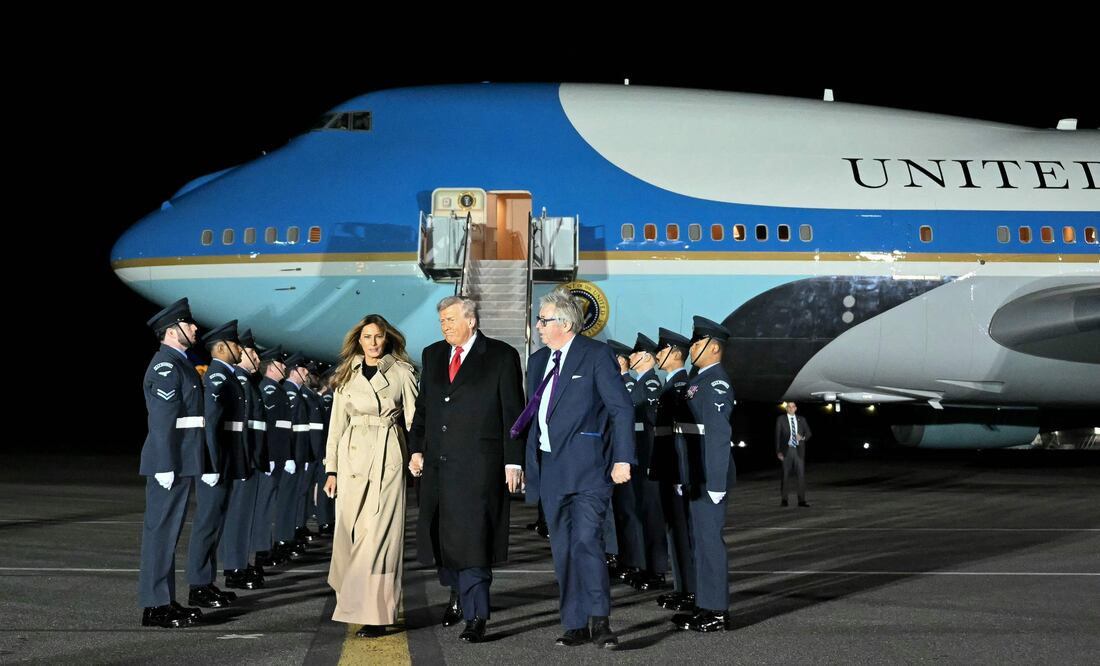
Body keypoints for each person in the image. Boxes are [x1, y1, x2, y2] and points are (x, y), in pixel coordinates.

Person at [513, 288, 635, 649]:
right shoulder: (538, 362)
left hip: (589, 470)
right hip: (550, 470)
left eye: (543, 320)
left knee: (586, 542)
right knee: (563, 548)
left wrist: (623, 458)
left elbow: (621, 409)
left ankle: (601, 621)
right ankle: (575, 622)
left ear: (564, 323)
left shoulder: (595, 355)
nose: (537, 326)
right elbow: (534, 416)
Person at [408, 296, 525, 643]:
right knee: (444, 540)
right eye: (441, 321)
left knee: (473, 542)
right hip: (438, 469)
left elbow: (513, 414)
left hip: (478, 469)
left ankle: (477, 615)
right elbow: (424, 409)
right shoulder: (432, 355)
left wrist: (513, 460)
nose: (444, 326)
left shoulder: (501, 356)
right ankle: (457, 596)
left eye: (450, 320)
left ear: (471, 320)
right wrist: (416, 449)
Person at [322, 314, 418, 637]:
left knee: (380, 539)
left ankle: (377, 613)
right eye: (367, 337)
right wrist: (331, 469)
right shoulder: (345, 376)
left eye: (378, 336)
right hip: (350, 461)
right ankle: (351, 599)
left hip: (387, 458)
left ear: (386, 338)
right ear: (358, 340)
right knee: (348, 535)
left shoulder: (403, 373)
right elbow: (336, 427)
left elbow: (415, 423)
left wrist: (417, 457)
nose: (373, 343)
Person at [137, 297, 205, 628]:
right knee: (160, 534)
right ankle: (154, 605)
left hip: (181, 461)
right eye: (188, 324)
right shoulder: (166, 366)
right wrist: (164, 464)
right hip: (170, 463)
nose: (195, 328)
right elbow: (163, 419)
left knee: (168, 534)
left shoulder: (181, 364)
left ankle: (164, 600)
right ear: (171, 330)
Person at [673, 316, 737, 633]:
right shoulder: (700, 380)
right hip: (695, 474)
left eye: (697, 343)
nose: (692, 347)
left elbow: (717, 435)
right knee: (700, 541)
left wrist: (714, 483)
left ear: (712, 347)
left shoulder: (716, 383)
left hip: (709, 476)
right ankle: (704, 603)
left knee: (710, 543)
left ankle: (716, 611)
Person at [651, 327, 696, 613]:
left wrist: (682, 473)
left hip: (679, 472)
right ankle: (682, 588)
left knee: (684, 532)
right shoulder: (670, 384)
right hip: (669, 469)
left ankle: (691, 590)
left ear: (676, 354)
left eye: (663, 350)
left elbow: (686, 436)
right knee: (674, 532)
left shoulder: (683, 386)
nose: (658, 354)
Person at [776, 401, 812, 507]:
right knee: (785, 476)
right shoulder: (781, 419)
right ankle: (784, 500)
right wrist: (778, 451)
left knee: (801, 476)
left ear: (796, 408)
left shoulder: (802, 419)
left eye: (793, 407)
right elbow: (777, 436)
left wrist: (802, 437)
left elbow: (809, 433)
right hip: (786, 450)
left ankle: (801, 500)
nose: (791, 408)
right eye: (789, 407)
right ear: (786, 408)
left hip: (799, 450)